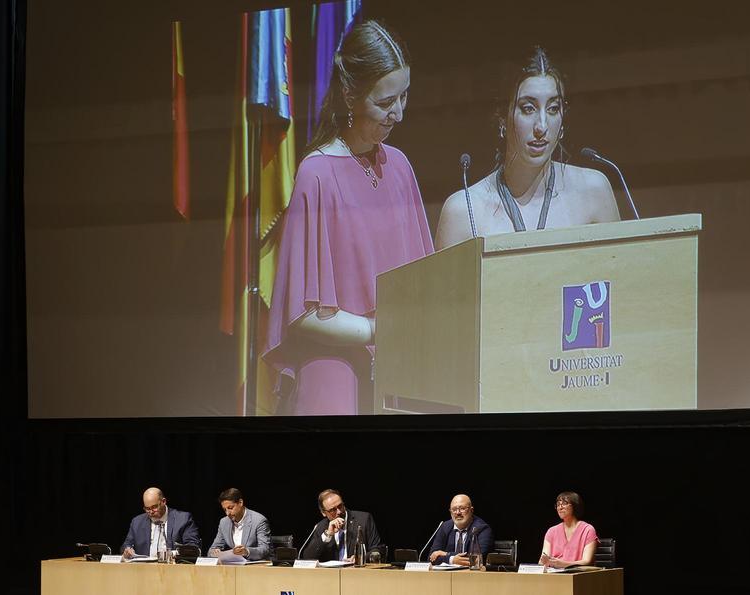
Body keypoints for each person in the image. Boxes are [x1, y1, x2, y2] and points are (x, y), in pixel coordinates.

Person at [264, 20, 434, 415]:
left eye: (404, 97)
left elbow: (426, 278)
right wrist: (377, 330)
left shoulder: (401, 167)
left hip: (400, 372)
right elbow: (302, 313)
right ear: (349, 95)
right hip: (334, 375)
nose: (399, 114)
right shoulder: (317, 173)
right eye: (385, 102)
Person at [435, 47, 620, 249]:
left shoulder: (594, 191)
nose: (541, 126)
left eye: (553, 109)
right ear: (502, 120)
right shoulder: (464, 211)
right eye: (528, 108)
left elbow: (620, 276)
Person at [297, 489, 382, 562]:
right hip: (331, 577)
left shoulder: (364, 519)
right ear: (323, 513)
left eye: (340, 506)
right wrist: (328, 534)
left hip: (358, 573)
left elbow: (378, 550)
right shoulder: (321, 526)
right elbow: (307, 558)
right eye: (332, 510)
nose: (339, 512)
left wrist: (361, 558)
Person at [121, 487, 201, 558]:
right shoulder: (137, 522)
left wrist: (173, 553)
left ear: (163, 501)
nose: (151, 512)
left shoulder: (183, 519)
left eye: (154, 507)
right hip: (144, 569)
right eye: (147, 509)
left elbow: (193, 548)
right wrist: (127, 550)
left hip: (174, 568)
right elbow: (126, 545)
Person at [426, 494, 494, 565]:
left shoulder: (482, 528)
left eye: (462, 508)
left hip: (472, 574)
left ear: (471, 510)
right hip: (448, 575)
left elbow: (478, 558)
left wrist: (447, 554)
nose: (458, 513)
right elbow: (431, 557)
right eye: (454, 509)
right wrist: (452, 560)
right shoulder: (445, 527)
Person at [207, 487, 272, 561]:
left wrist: (246, 551)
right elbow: (211, 550)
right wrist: (215, 552)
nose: (227, 513)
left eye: (230, 508)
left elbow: (265, 549)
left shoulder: (259, 520)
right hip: (234, 566)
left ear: (240, 502)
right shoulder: (224, 522)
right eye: (225, 509)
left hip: (255, 566)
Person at [540, 491, 597, 568]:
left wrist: (562, 564)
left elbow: (587, 561)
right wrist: (545, 561)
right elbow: (542, 560)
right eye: (558, 505)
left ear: (575, 505)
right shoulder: (551, 531)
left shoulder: (588, 530)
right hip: (554, 574)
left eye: (564, 503)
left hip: (577, 575)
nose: (560, 507)